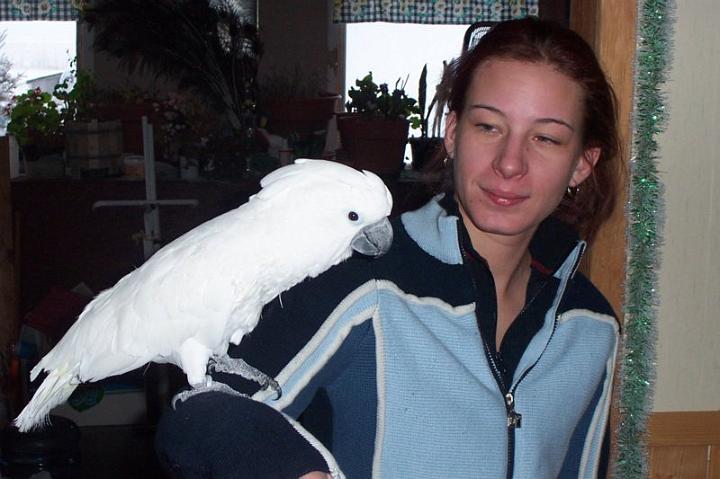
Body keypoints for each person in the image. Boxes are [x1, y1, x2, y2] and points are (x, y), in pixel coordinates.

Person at [155, 16, 621, 479]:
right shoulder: (360, 279)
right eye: (489, 127)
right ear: (454, 134)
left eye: (545, 138)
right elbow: (198, 412)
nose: (510, 164)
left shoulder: (592, 325)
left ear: (582, 163)